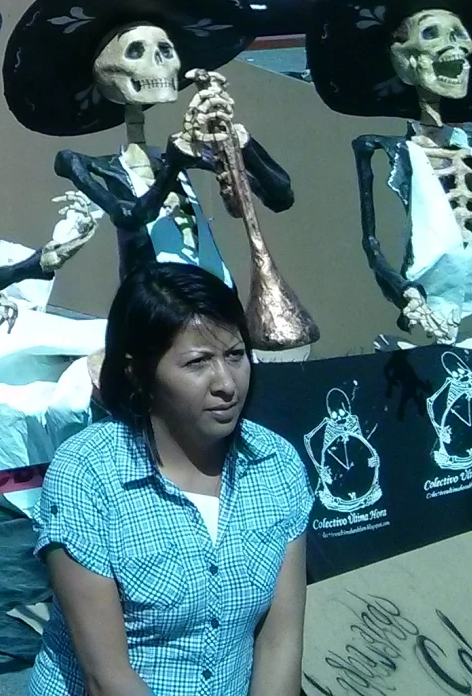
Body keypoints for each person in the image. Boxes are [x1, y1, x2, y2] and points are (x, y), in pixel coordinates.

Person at [28, 264, 309, 696]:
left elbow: (280, 644)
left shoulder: (276, 465)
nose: (226, 384)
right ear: (138, 373)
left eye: (235, 356)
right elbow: (107, 679)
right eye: (198, 362)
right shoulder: (87, 475)